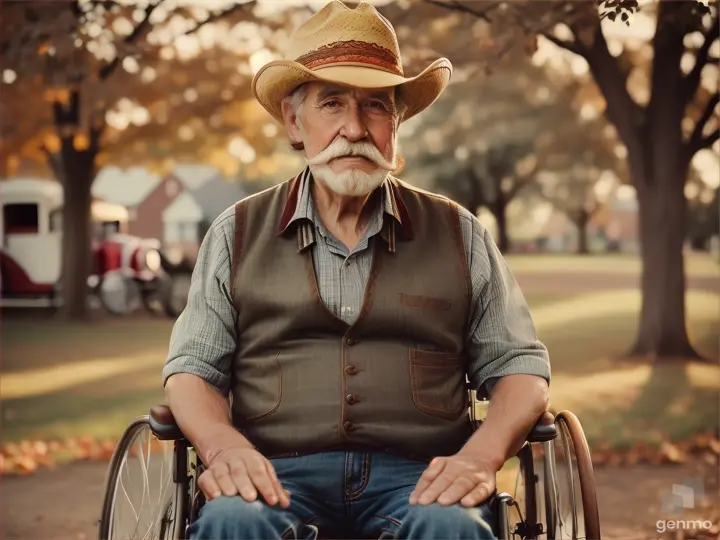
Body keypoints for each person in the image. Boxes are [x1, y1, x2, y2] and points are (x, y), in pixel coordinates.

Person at [163, 2, 551, 538]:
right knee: (231, 521)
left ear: (396, 123)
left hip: (422, 480)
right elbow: (191, 372)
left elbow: (521, 369)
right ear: (294, 122)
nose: (353, 127)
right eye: (332, 103)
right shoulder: (236, 232)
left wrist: (482, 456)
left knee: (451, 530)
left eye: (375, 106)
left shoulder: (460, 234)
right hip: (273, 474)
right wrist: (222, 447)